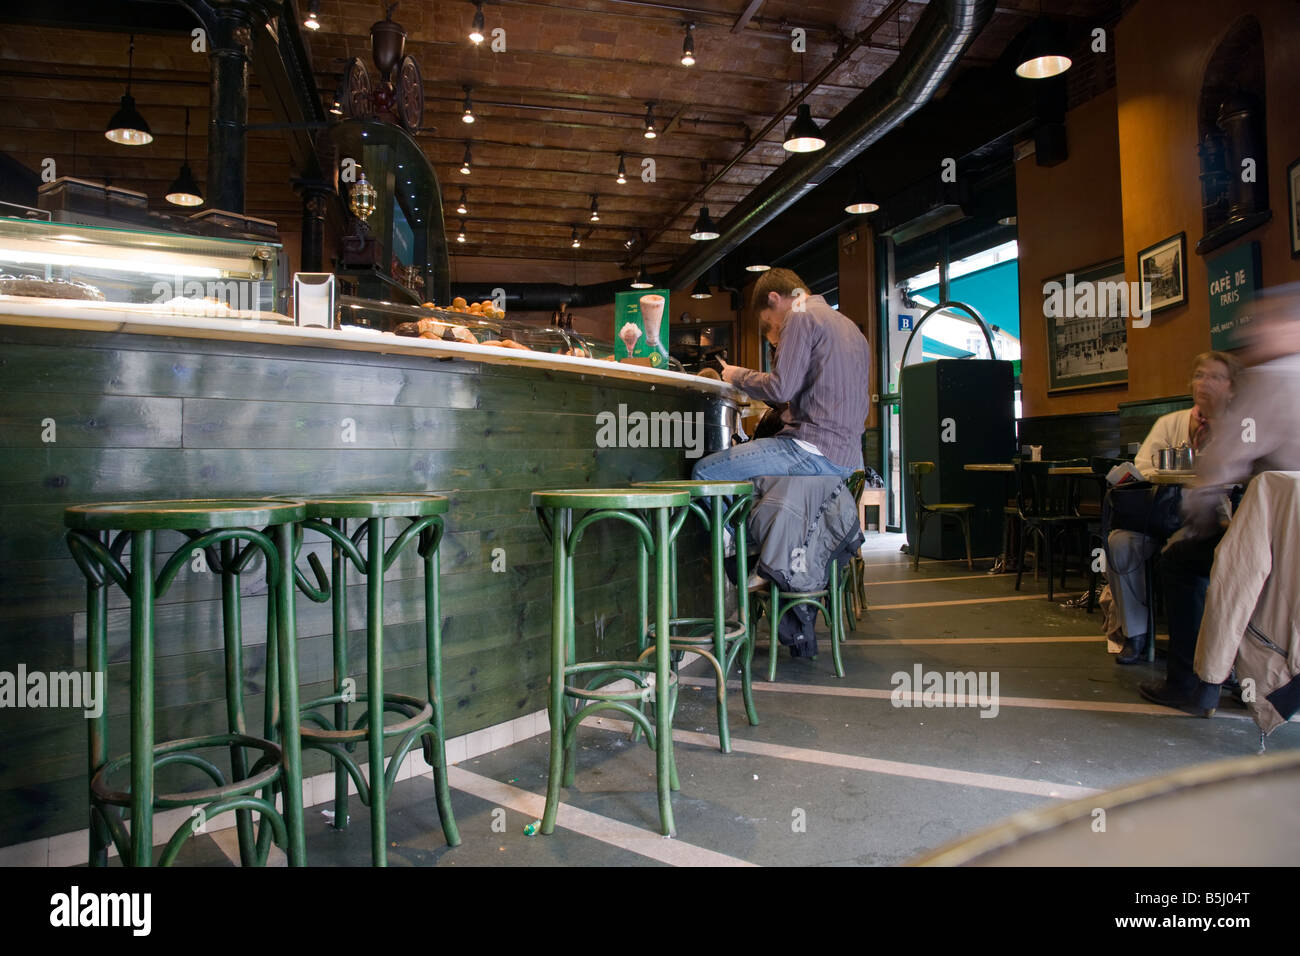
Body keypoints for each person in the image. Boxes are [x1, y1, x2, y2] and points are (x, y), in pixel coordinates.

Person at [1139, 284, 1300, 716]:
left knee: (1181, 561)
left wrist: (1200, 521)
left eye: (1266, 322)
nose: (1257, 333)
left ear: (1289, 326)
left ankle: (1197, 685)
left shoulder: (1273, 380)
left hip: (1278, 550)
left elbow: (1221, 467)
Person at [1108, 351, 1238, 664]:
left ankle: (1216, 647)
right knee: (1119, 542)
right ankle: (1135, 633)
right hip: (1165, 514)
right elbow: (1142, 466)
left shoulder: (1240, 428)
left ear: (1232, 388)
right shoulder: (1172, 423)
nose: (1204, 383)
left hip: (1216, 522)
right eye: (1199, 375)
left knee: (1186, 550)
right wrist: (1174, 474)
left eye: (1215, 377)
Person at [692, 268, 871, 481]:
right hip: (850, 458)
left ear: (774, 298)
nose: (777, 331)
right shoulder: (850, 327)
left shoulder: (799, 312)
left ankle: (745, 516)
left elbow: (781, 388)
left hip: (811, 449)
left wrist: (737, 375)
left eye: (771, 322)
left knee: (705, 471)